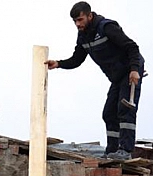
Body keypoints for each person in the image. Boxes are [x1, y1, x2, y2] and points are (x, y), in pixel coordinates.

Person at [46, 1, 145, 160]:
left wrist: (134, 69)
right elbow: (77, 59)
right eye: (75, 21)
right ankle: (112, 151)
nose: (78, 24)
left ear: (89, 16)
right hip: (117, 77)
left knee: (125, 109)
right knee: (109, 113)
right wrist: (58, 64)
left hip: (130, 71)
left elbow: (132, 47)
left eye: (80, 19)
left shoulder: (106, 28)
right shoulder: (83, 36)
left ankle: (125, 151)